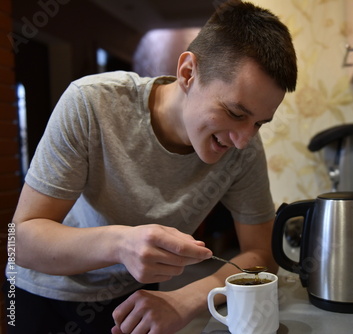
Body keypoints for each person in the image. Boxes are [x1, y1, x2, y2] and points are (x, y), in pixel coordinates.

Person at [6, 1, 297, 333]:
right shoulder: (92, 104)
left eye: (259, 123)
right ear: (188, 73)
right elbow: (22, 242)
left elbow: (261, 252)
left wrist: (187, 299)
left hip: (138, 296)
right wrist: (121, 244)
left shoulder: (242, 146)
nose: (244, 139)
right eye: (235, 113)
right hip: (42, 292)